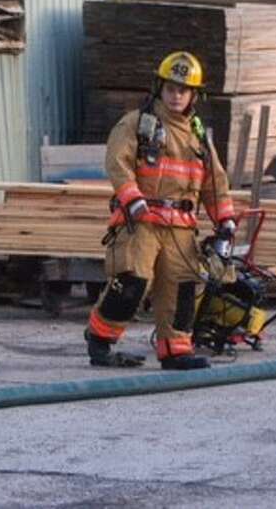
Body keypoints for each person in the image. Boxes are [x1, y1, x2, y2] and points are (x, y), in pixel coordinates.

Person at [84, 51, 236, 371]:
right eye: (170, 88)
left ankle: (175, 351)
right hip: (141, 222)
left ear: (194, 94)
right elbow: (117, 161)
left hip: (180, 228)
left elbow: (215, 184)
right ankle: (99, 340)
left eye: (183, 89)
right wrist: (132, 198)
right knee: (133, 281)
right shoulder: (137, 124)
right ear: (159, 87)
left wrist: (226, 224)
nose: (176, 95)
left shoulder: (198, 137)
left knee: (181, 290)